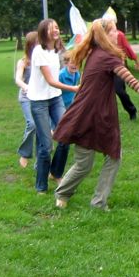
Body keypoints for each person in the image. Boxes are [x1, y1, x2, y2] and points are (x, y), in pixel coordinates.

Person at [53, 18, 139, 210]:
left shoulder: (95, 53)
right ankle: (64, 194)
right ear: (105, 34)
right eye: (113, 30)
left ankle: (96, 201)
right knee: (88, 163)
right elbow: (132, 82)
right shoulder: (105, 57)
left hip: (97, 115)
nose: (117, 33)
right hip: (88, 115)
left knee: (112, 156)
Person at [26, 19, 79, 194]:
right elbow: (50, 80)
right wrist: (73, 88)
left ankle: (56, 173)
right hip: (39, 102)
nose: (55, 30)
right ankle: (41, 186)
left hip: (55, 98)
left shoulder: (56, 50)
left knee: (65, 135)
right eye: (51, 28)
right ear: (44, 32)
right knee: (46, 146)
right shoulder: (38, 52)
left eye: (56, 27)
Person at [102, 9, 139, 121]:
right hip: (104, 68)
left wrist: (136, 60)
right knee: (104, 93)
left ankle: (132, 110)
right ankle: (105, 115)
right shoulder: (100, 37)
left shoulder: (119, 35)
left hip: (118, 67)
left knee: (120, 91)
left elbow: (127, 48)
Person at [50, 54, 80, 182]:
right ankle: (54, 173)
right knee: (62, 138)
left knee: (64, 139)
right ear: (66, 63)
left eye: (77, 63)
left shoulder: (77, 74)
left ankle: (54, 173)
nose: (74, 65)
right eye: (72, 62)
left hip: (68, 109)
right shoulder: (61, 75)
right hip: (57, 109)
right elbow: (53, 90)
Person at [15, 31, 39, 168]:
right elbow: (18, 79)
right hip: (26, 98)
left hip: (40, 97)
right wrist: (26, 87)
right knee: (32, 124)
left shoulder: (42, 59)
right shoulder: (23, 62)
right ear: (30, 45)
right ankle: (25, 153)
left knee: (42, 128)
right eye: (37, 43)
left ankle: (40, 163)